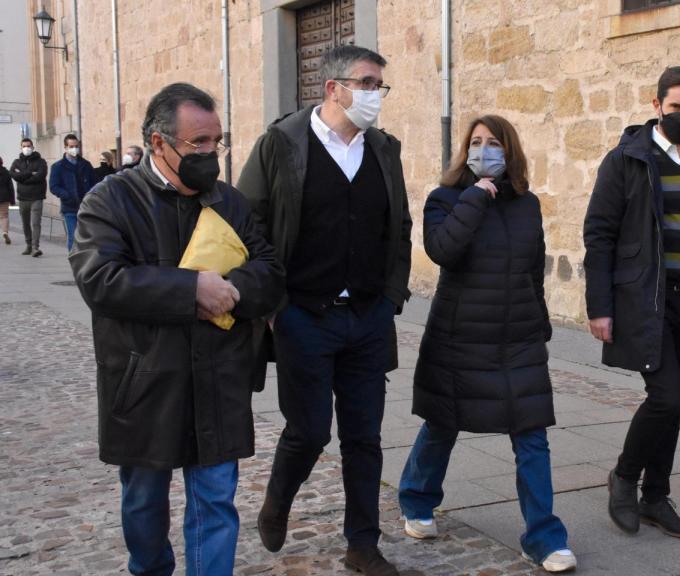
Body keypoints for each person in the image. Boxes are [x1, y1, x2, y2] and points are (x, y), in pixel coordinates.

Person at [68, 82, 284, 575]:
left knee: (216, 501)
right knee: (144, 502)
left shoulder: (230, 202)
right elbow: (100, 279)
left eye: (217, 141)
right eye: (198, 142)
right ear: (158, 142)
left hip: (218, 379)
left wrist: (231, 289)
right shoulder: (110, 200)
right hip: (145, 381)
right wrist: (191, 290)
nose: (211, 153)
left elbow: (269, 271)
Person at [238, 44, 412, 576]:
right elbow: (248, 225)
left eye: (379, 85)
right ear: (333, 88)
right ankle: (277, 501)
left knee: (364, 437)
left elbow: (399, 226)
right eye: (366, 83)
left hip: (367, 316)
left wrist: (391, 297)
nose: (375, 94)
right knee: (310, 431)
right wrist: (274, 306)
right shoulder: (280, 144)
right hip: (304, 315)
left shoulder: (383, 149)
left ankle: (363, 543)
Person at [398, 115, 576, 573]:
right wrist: (475, 197)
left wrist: (541, 323)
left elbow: (533, 269)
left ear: (509, 150)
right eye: (476, 142)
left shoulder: (527, 205)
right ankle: (416, 499)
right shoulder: (445, 198)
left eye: (493, 142)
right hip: (460, 336)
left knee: (532, 434)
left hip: (517, 337)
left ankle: (544, 538)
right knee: (442, 423)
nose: (484, 150)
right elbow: (442, 250)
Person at [583, 66, 680, 539]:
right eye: (675, 107)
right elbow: (599, 234)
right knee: (666, 396)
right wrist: (599, 306)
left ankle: (655, 496)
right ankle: (624, 478)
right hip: (647, 298)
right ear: (656, 105)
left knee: (676, 402)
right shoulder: (625, 160)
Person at [50, 134, 97, 251]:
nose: (74, 149)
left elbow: (94, 183)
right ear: (65, 147)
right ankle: (73, 258)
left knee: (87, 236)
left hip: (86, 206)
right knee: (73, 235)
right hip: (69, 207)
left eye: (76, 146)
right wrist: (66, 195)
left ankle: (85, 258)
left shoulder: (86, 164)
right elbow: (54, 186)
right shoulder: (58, 166)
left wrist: (91, 197)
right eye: (71, 146)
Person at [9, 137, 47, 256]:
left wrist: (23, 178)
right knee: (25, 223)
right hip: (23, 198)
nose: (26, 148)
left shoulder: (41, 161)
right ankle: (28, 245)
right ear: (21, 148)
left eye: (28, 146)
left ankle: (36, 247)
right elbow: (13, 174)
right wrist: (30, 173)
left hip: (37, 197)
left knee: (35, 223)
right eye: (24, 146)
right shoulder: (17, 162)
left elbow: (40, 175)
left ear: (33, 147)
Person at [0, 157, 13, 244]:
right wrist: (12, 200)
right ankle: (5, 232)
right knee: (4, 216)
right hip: (4, 197)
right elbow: (10, 187)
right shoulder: (6, 172)